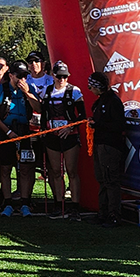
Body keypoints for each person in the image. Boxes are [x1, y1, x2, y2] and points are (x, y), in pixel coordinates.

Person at [40, 61, 85, 218]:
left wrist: (70, 127)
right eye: (59, 76)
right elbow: (42, 113)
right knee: (55, 171)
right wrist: (44, 130)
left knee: (71, 171)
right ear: (53, 76)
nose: (62, 80)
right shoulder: (46, 91)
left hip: (69, 136)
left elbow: (82, 115)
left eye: (65, 77)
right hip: (52, 135)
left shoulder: (74, 91)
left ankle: (75, 206)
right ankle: (59, 204)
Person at [0, 63, 36, 217]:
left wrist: (27, 93)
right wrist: (8, 131)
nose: (22, 79)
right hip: (7, 131)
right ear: (11, 75)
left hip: (24, 131)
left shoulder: (30, 88)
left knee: (25, 168)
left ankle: (25, 203)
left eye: (25, 76)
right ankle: (8, 203)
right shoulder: (0, 90)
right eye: (19, 76)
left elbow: (38, 108)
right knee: (5, 168)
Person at [87, 72, 127, 227]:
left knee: (111, 181)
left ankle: (114, 215)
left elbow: (119, 125)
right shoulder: (101, 100)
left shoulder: (113, 101)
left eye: (91, 86)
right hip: (100, 144)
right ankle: (103, 213)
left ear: (98, 87)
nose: (90, 89)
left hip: (110, 146)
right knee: (102, 180)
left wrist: (98, 125)